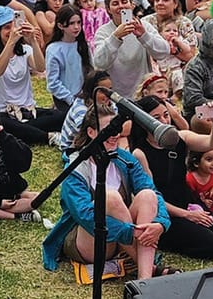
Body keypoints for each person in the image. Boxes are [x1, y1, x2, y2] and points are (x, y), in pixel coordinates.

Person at [42, 103, 172, 279]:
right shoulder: (76, 167)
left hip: (121, 239)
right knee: (110, 197)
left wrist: (160, 224)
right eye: (108, 129)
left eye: (116, 129)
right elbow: (84, 215)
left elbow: (152, 191)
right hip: (90, 240)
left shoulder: (125, 159)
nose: (115, 134)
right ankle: (151, 269)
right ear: (91, 132)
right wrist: (130, 231)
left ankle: (144, 280)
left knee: (147, 196)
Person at [132, 95, 213, 258]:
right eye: (156, 117)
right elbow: (153, 198)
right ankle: (166, 240)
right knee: (212, 247)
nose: (164, 121)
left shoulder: (180, 137)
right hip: (165, 211)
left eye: (166, 115)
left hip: (187, 201)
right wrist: (187, 215)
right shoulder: (140, 153)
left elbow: (212, 143)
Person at [0, 6, 64, 144]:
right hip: (2, 112)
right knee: (2, 124)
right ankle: (47, 137)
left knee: (61, 116)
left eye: (14, 26)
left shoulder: (25, 50)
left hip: (27, 109)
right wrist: (11, 42)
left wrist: (33, 41)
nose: (12, 31)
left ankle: (25, 132)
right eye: (7, 28)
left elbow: (40, 67)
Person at [91, 0, 170, 98]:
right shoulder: (103, 31)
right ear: (108, 9)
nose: (121, 6)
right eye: (115, 3)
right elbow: (99, 64)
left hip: (142, 94)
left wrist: (144, 35)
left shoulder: (144, 25)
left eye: (124, 2)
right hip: (117, 96)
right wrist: (116, 37)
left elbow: (163, 52)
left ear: (132, 5)